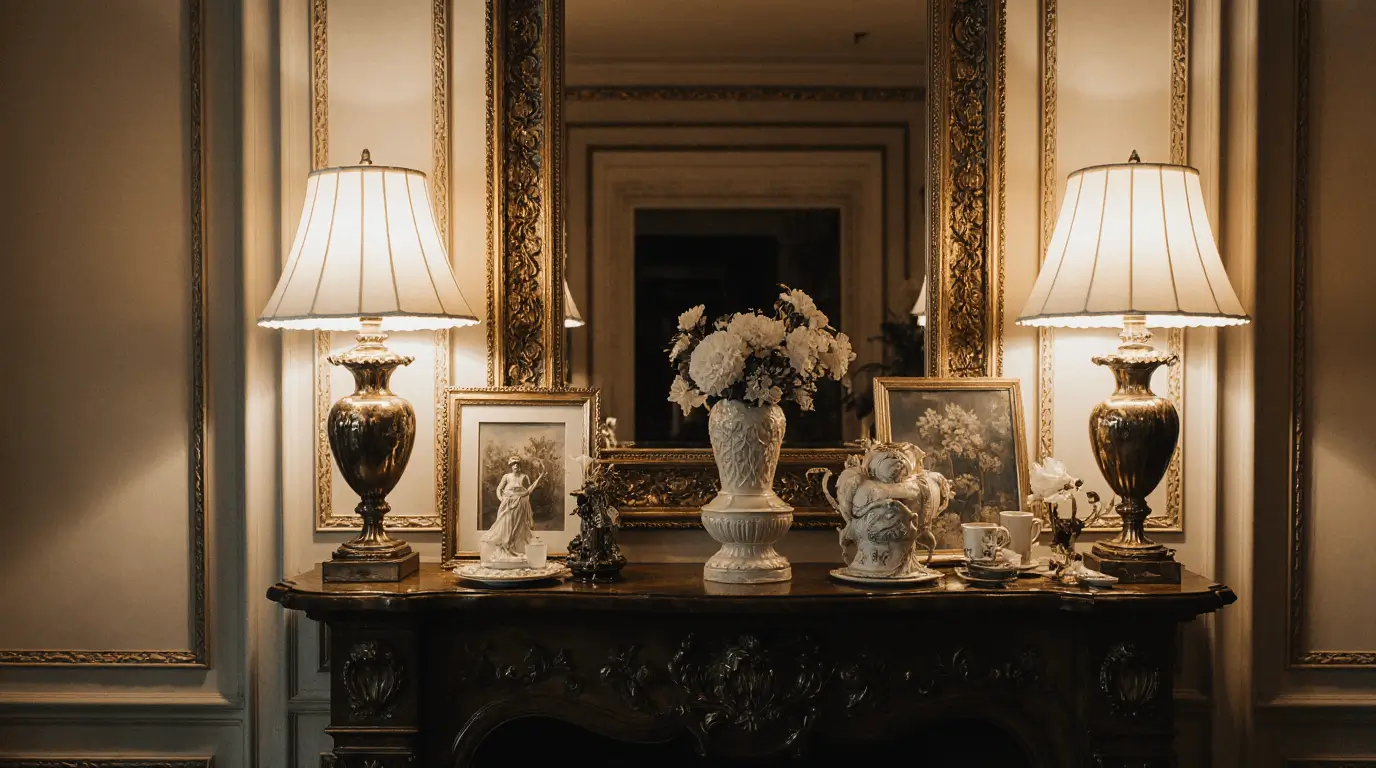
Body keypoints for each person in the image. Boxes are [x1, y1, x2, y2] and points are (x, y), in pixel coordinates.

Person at [481, 456, 544, 562]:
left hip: (519, 503)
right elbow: (499, 489)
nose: (516, 466)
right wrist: (501, 498)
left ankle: (513, 547)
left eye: (518, 464)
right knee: (506, 523)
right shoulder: (506, 476)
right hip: (508, 503)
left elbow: (528, 490)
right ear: (511, 466)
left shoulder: (524, 476)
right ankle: (505, 547)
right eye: (514, 464)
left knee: (518, 524)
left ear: (520, 466)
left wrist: (539, 478)